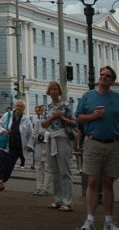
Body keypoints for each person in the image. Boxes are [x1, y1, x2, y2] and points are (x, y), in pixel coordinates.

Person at [76, 65, 119, 230]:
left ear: (112, 81)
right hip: (93, 142)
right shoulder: (88, 96)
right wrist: (92, 116)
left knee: (108, 183)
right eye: (102, 74)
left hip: (112, 144)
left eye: (107, 76)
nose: (103, 77)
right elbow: (78, 118)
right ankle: (89, 220)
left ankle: (108, 221)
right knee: (92, 182)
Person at [41, 81, 77, 210]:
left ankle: (67, 201)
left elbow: (74, 122)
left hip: (62, 137)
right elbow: (43, 124)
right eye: (51, 89)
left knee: (64, 171)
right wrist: (53, 117)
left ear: (59, 91)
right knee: (54, 170)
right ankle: (58, 199)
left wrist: (62, 118)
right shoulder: (47, 107)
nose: (53, 92)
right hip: (50, 138)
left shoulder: (65, 105)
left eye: (55, 89)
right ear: (48, 92)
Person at [0, 100, 33, 192]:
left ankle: (1, 181)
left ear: (24, 109)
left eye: (21, 107)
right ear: (15, 106)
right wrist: (3, 131)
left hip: (17, 147)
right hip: (5, 144)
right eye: (18, 106)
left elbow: (31, 134)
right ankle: (0, 181)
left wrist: (29, 144)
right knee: (1, 163)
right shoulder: (7, 115)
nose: (19, 108)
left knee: (9, 165)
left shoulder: (26, 120)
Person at [31, 104, 50, 196]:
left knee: (47, 168)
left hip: (48, 147)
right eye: (41, 110)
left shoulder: (51, 122)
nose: (43, 112)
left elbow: (51, 133)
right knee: (38, 168)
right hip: (39, 147)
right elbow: (33, 135)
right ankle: (39, 187)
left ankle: (45, 188)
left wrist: (44, 136)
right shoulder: (38, 122)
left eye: (44, 111)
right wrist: (39, 137)